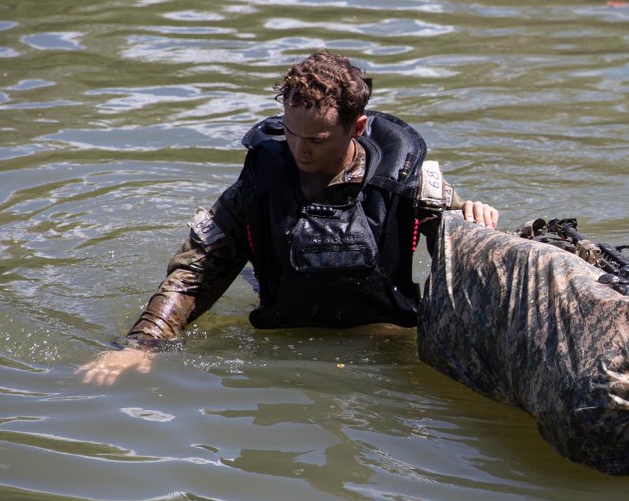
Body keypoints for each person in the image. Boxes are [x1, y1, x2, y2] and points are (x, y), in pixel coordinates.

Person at [79, 50, 499, 385]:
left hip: (383, 345)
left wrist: (472, 218)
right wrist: (141, 344)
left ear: (358, 127)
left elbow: (458, 237)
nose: (299, 151)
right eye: (291, 133)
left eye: (316, 140)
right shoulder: (259, 185)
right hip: (284, 349)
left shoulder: (401, 179)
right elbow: (198, 267)